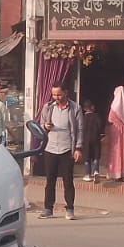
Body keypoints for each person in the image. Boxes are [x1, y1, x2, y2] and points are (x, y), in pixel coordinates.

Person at [37, 84, 82, 221]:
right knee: (50, 181)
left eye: (59, 95)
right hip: (50, 148)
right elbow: (41, 125)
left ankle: (69, 208)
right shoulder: (48, 107)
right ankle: (48, 208)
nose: (56, 98)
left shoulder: (75, 108)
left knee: (68, 181)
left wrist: (78, 148)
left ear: (66, 92)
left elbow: (79, 129)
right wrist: (45, 126)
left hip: (67, 149)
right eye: (54, 95)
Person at [104, 86, 124, 181]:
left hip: (115, 131)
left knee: (116, 151)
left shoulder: (114, 107)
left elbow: (110, 118)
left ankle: (116, 174)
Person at [80, 98, 103, 181]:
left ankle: (87, 175)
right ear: (92, 107)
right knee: (95, 156)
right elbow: (100, 126)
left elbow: (80, 129)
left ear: (84, 109)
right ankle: (96, 171)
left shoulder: (83, 118)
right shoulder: (96, 117)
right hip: (95, 139)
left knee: (87, 158)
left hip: (86, 140)